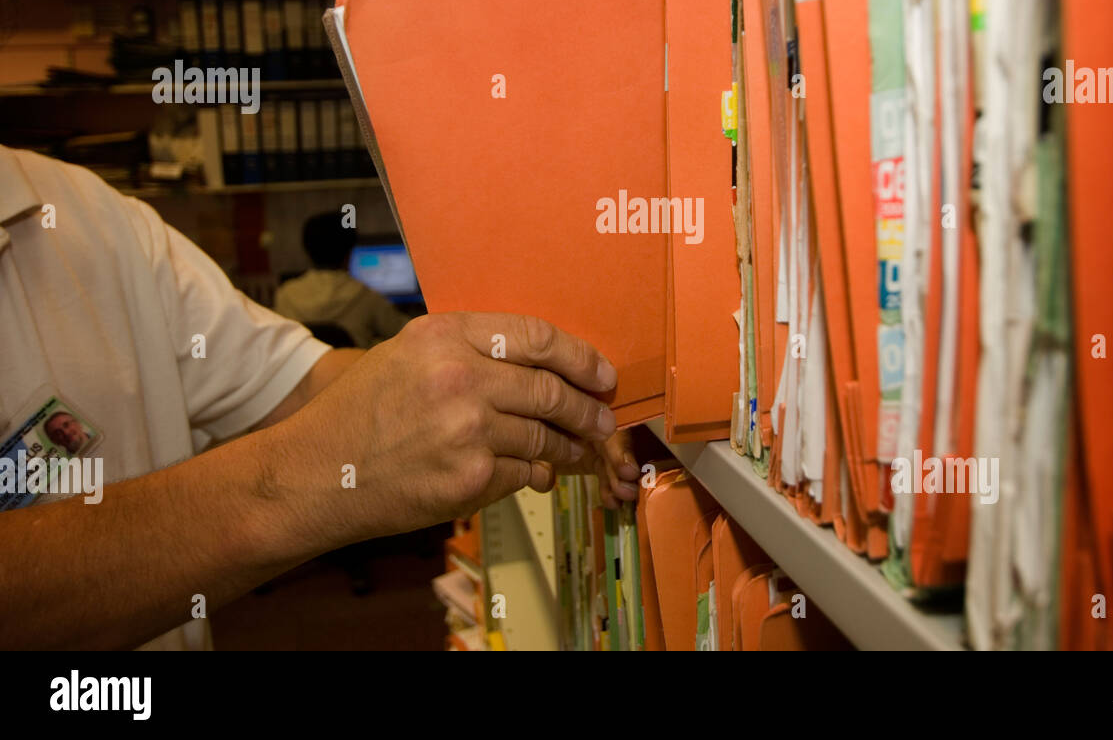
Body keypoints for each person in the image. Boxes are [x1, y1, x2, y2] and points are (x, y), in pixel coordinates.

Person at [0, 145, 638, 650]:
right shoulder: (363, 297)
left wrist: (526, 402)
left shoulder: (101, 220)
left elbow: (302, 380)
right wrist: (306, 480)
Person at [273, 213, 410, 349]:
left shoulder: (285, 296)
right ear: (349, 252)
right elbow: (406, 333)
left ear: (306, 249)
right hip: (355, 369)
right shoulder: (367, 296)